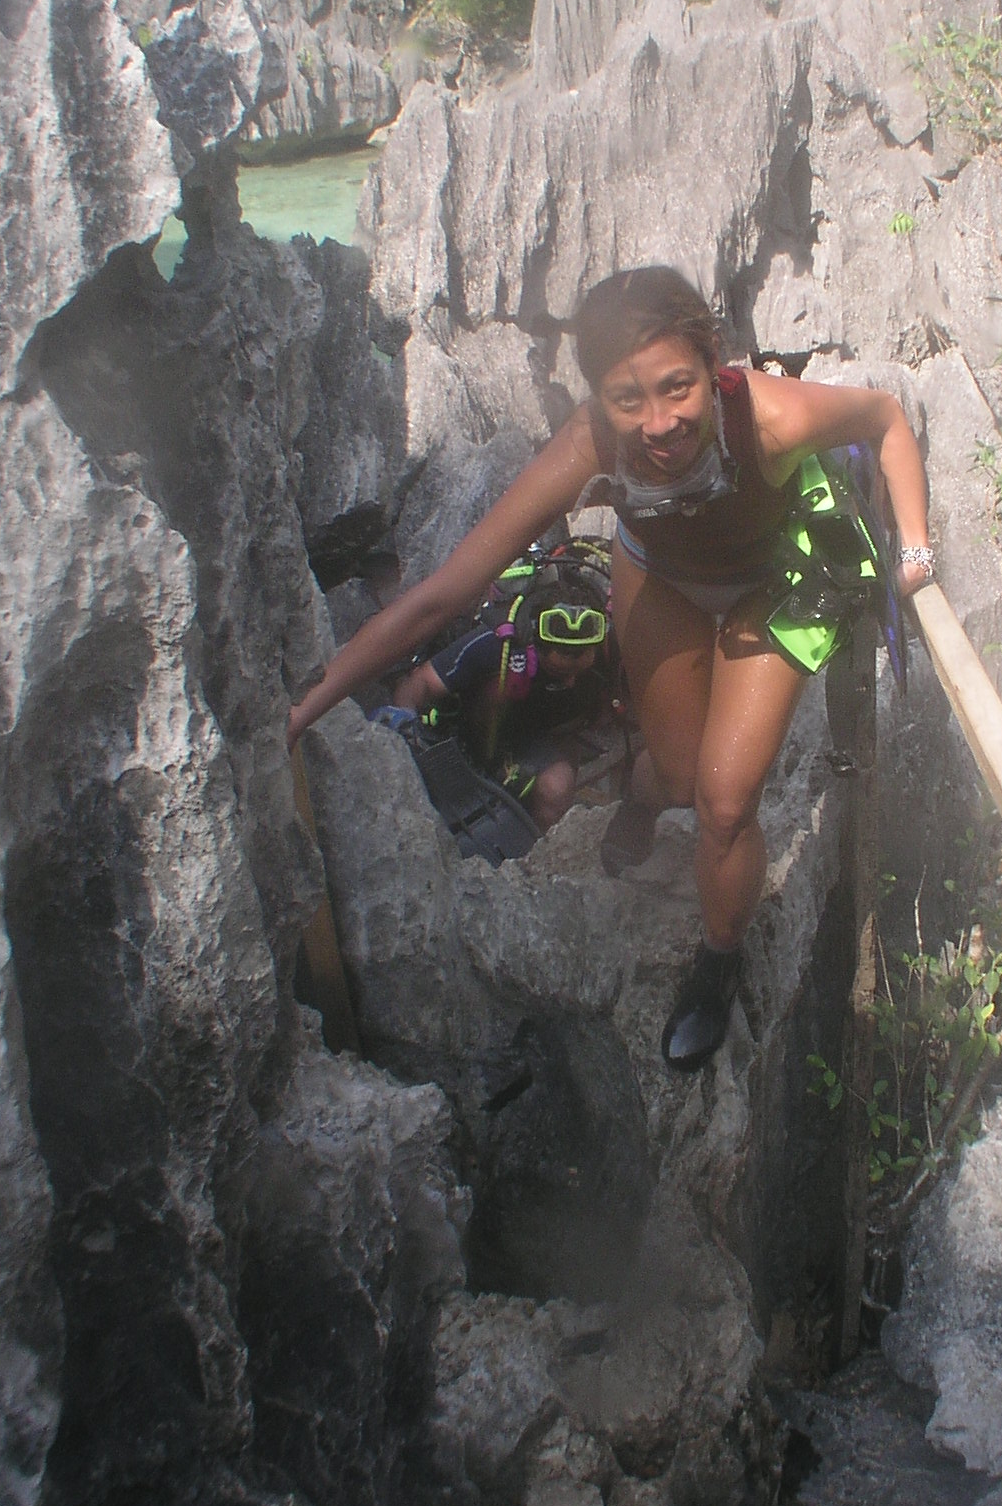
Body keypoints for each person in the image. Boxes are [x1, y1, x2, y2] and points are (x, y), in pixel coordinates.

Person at [286, 266, 935, 1067]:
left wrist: (914, 546)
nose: (659, 424)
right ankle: (641, 800)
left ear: (714, 367)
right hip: (660, 576)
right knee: (674, 768)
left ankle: (718, 957)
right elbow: (444, 595)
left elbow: (886, 419)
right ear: (595, 396)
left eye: (678, 389)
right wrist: (302, 707)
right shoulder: (589, 445)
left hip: (771, 583)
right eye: (629, 400)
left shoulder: (768, 416)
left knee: (724, 802)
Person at [391, 593, 615, 833]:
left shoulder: (606, 654)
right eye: (559, 672)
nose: (570, 681)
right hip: (463, 732)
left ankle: (534, 847)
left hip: (526, 737)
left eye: (577, 670)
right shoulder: (497, 646)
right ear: (536, 647)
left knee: (557, 788)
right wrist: (397, 734)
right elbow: (422, 683)